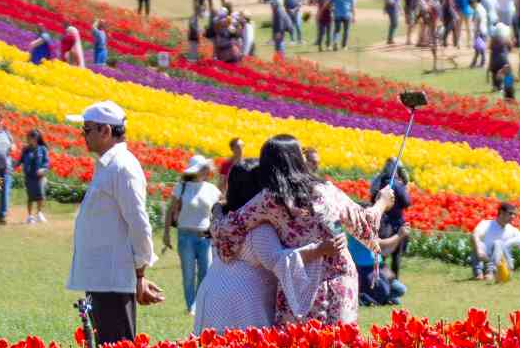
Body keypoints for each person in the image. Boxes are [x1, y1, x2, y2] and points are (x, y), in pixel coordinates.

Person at [208, 135, 395, 326]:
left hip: (298, 281)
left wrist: (217, 210)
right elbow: (364, 222)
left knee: (298, 344)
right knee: (338, 345)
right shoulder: (327, 191)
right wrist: (382, 202)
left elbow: (229, 229)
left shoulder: (269, 200)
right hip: (339, 275)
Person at [191, 154, 341, 332]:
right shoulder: (258, 228)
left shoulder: (223, 218)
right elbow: (277, 260)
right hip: (243, 301)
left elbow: (217, 208)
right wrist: (319, 249)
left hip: (211, 292)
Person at [67, 101, 162, 345]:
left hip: (113, 278)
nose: (83, 136)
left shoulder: (122, 167)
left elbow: (139, 223)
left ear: (106, 131)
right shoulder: (109, 165)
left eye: (87, 130)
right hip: (103, 277)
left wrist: (140, 271)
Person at [164, 154, 223, 311]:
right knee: (188, 274)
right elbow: (170, 210)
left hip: (205, 237)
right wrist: (166, 234)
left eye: (204, 169)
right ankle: (191, 306)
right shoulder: (182, 187)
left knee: (205, 273)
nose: (202, 172)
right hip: (185, 236)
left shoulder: (212, 190)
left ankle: (200, 304)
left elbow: (219, 211)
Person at [472, 202, 520, 279]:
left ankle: (491, 272)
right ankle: (479, 272)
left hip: (502, 264)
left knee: (498, 243)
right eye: (510, 214)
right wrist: (479, 251)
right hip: (485, 259)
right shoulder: (486, 224)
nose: (513, 216)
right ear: (501, 212)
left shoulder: (513, 230)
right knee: (477, 242)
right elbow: (475, 235)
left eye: (514, 214)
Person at [368, 159, 412, 278]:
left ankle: (378, 277)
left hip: (379, 222)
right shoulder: (396, 185)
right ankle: (392, 281)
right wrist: (405, 186)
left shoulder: (378, 181)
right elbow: (407, 202)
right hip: (394, 224)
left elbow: (372, 198)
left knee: (380, 254)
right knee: (395, 256)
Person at [20, 128, 51, 224]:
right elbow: (20, 160)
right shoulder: (26, 149)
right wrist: (13, 165)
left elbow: (46, 162)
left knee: (40, 195)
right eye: (27, 138)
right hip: (29, 176)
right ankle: (30, 216)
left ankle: (39, 213)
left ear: (35, 138)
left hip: (39, 176)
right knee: (30, 196)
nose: (27, 139)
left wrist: (43, 169)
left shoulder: (43, 149)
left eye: (29, 138)